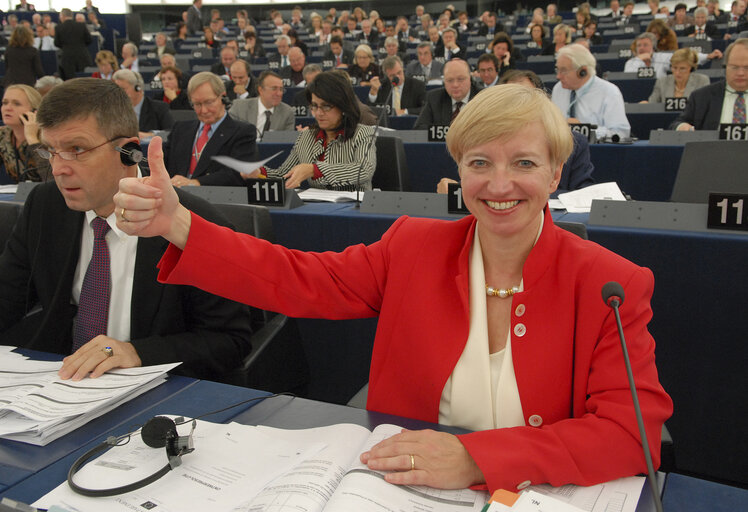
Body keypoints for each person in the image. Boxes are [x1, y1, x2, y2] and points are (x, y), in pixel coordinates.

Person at [114, 83, 672, 493]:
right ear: (458, 171)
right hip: (401, 490)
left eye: (524, 163)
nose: (499, 184)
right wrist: (178, 223)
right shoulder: (413, 246)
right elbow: (298, 279)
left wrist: (476, 459)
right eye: (480, 163)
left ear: (555, 175)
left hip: (541, 494)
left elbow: (630, 436)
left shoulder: (611, 283)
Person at [0, 78, 253, 381]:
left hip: (157, 394)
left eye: (76, 149)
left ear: (128, 152)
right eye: (50, 150)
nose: (57, 169)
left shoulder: (191, 224)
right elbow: (7, 298)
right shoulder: (45, 205)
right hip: (59, 383)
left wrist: (137, 353)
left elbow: (229, 343)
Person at [437, 70, 594, 196]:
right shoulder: (475, 141)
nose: (500, 188)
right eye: (480, 163)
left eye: (525, 163)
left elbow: (583, 194)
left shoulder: (574, 141)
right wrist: (456, 190)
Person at [253, 71, 376, 191]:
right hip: (318, 208)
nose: (318, 113)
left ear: (343, 106)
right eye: (314, 106)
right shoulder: (306, 137)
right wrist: (259, 172)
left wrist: (315, 170)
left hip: (354, 208)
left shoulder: (363, 133)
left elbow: (363, 170)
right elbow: (284, 175)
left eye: (326, 106)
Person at [165, 72, 257, 187]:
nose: (203, 110)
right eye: (197, 104)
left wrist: (196, 183)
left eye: (209, 102)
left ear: (223, 97)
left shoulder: (243, 132)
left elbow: (236, 173)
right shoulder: (180, 129)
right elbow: (163, 163)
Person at [552, 44, 631, 139]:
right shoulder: (558, 89)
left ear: (582, 72)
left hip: (596, 151)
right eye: (557, 70)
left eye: (564, 70)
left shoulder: (609, 92)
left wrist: (584, 130)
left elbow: (621, 132)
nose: (558, 76)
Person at [672, 38, 748, 130]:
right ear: (725, 66)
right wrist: (682, 127)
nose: (740, 73)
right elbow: (677, 124)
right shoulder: (701, 96)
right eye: (734, 67)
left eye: (746, 67)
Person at [0, 85, 51, 183]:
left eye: (17, 104)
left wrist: (32, 139)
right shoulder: (3, 135)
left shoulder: (48, 136)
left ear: (34, 111)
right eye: (5, 103)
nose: (8, 108)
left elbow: (50, 178)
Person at [414, 59, 481, 129]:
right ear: (444, 82)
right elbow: (420, 129)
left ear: (470, 79)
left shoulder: (483, 97)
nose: (455, 85)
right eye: (450, 80)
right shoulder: (434, 98)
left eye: (460, 79)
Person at [229, 70, 295, 140]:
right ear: (260, 90)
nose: (279, 93)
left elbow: (287, 142)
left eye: (281, 89)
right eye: (274, 89)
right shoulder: (239, 107)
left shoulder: (287, 113)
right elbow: (229, 135)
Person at [625, 32, 722, 78]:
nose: (641, 48)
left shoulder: (661, 57)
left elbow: (683, 57)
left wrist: (707, 56)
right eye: (639, 46)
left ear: (653, 47)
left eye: (645, 45)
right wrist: (639, 59)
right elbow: (629, 79)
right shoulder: (630, 63)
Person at [113, 69, 174, 138]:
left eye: (123, 89)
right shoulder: (114, 111)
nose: (118, 94)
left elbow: (170, 132)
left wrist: (150, 135)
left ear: (138, 88)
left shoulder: (159, 108)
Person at [54, 8, 92, 80]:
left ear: (62, 16)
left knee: (70, 81)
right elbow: (89, 40)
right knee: (84, 80)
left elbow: (57, 43)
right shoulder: (81, 26)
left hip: (67, 58)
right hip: (82, 56)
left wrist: (66, 47)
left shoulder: (59, 27)